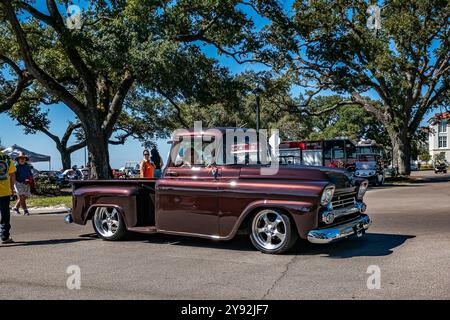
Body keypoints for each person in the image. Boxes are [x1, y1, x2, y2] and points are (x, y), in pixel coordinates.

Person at [0, 150, 16, 244]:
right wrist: (12, 189)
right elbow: (12, 174)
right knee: (5, 215)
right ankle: (5, 236)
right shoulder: (7, 157)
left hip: (5, 192)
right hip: (5, 191)